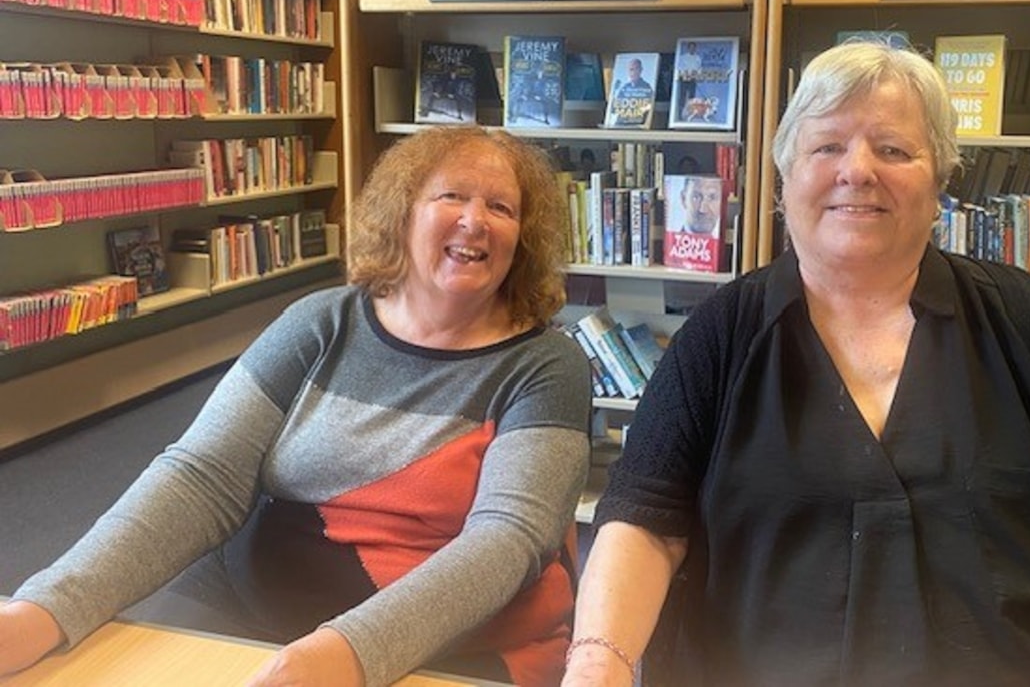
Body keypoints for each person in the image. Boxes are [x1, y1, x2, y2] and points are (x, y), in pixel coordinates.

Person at [562, 42, 1030, 686]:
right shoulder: (719, 338)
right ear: (786, 176)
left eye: (893, 149)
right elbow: (643, 520)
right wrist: (595, 666)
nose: (857, 171)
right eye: (827, 147)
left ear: (940, 179)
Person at [0, 126, 592, 687]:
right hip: (248, 604)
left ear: (524, 240)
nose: (474, 220)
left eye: (501, 208)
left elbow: (508, 541)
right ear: (403, 211)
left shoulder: (545, 366)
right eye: (453, 196)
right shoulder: (319, 323)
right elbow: (201, 477)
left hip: (440, 643)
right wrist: (47, 607)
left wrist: (348, 652)